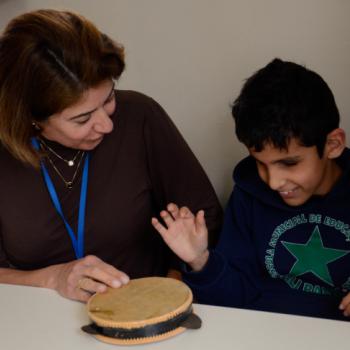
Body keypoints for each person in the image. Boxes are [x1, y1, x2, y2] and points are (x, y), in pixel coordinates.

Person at [0, 9, 223, 302]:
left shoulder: (140, 117)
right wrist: (53, 278)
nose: (107, 125)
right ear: (32, 119)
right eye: (82, 119)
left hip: (149, 314)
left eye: (109, 99)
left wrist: (169, 291)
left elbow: (206, 219)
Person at [152, 58, 350, 321]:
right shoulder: (249, 194)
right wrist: (200, 261)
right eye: (261, 164)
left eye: (289, 163)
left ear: (333, 144)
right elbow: (233, 298)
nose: (273, 182)